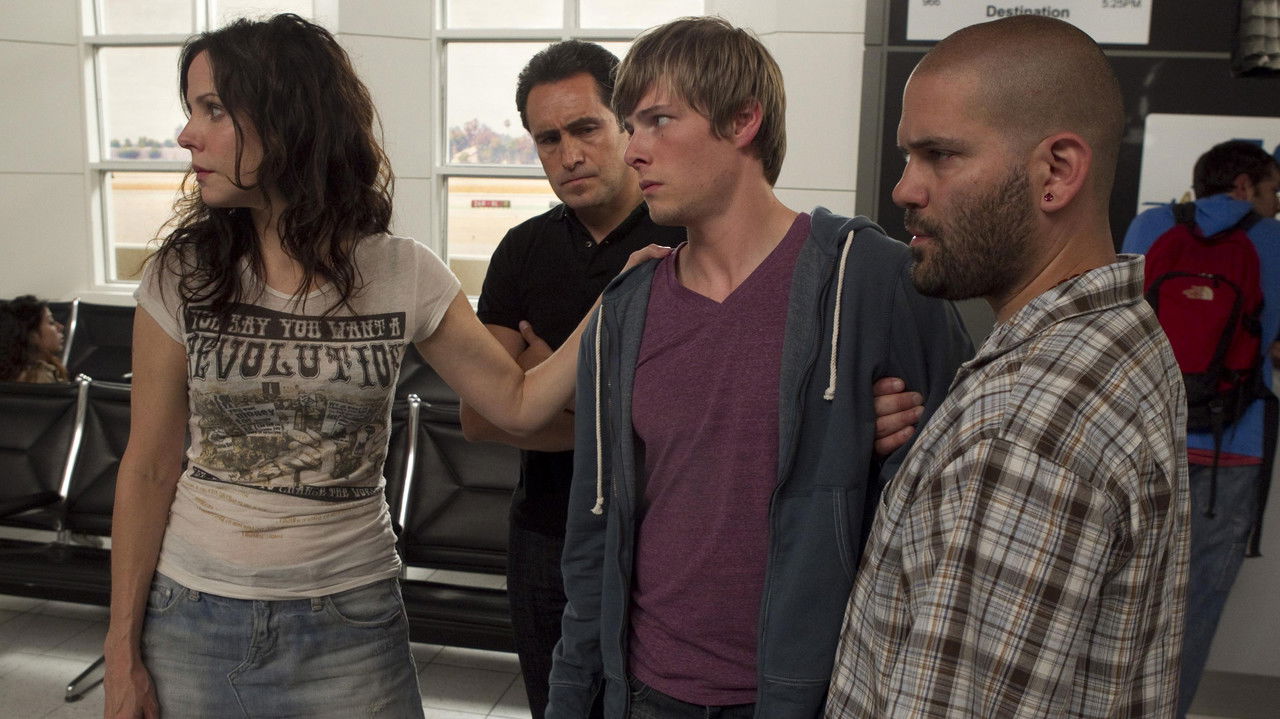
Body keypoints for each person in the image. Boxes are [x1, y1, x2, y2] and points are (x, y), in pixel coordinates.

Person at [102, 15, 663, 719]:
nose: (188, 134)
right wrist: (120, 650)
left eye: (213, 109)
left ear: (287, 120)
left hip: (351, 622)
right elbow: (149, 467)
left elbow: (516, 402)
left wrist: (612, 302)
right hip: (193, 616)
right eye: (192, 109)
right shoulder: (180, 274)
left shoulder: (401, 272)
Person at [546, 17, 972, 719]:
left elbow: (959, 494)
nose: (633, 151)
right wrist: (570, 695)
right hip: (648, 692)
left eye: (659, 120)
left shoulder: (870, 278)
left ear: (744, 121)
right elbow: (594, 528)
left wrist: (854, 445)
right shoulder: (625, 309)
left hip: (813, 692)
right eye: (629, 126)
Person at [825, 15, 1189, 718]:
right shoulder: (1116, 336)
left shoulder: (1029, 420)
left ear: (1056, 173)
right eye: (908, 157)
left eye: (939, 155)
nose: (905, 189)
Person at [457, 41, 684, 719]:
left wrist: (539, 377)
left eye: (586, 128)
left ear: (627, 124)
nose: (568, 154)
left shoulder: (680, 241)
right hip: (545, 537)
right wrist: (611, 412)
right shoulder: (522, 249)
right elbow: (480, 417)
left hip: (658, 540)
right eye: (548, 139)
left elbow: (680, 425)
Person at [1122, 139, 1280, 716]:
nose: (1276, 203)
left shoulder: (1148, 228)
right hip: (1230, 450)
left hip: (1141, 441)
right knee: (1194, 609)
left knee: (1119, 593)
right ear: (1243, 186)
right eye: (1273, 191)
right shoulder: (1272, 241)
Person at [0, 295, 68, 383]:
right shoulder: (41, 377)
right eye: (51, 322)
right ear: (32, 335)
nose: (60, 327)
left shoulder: (10, 374)